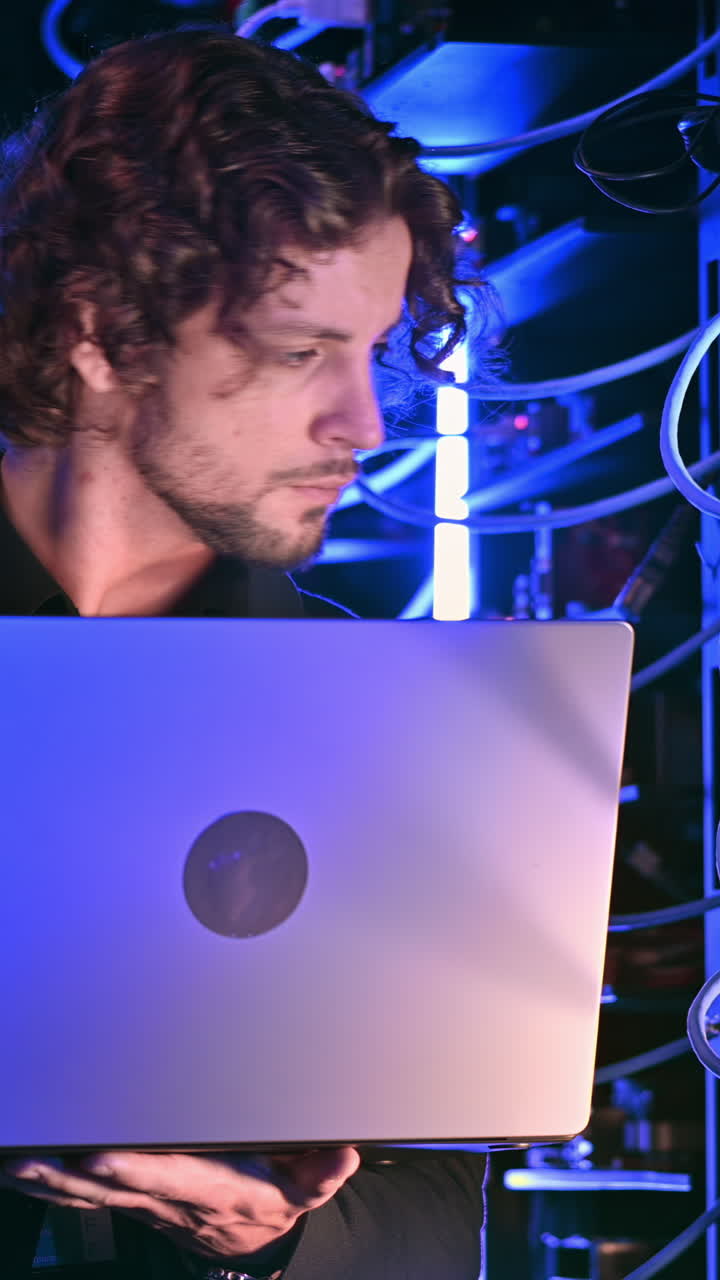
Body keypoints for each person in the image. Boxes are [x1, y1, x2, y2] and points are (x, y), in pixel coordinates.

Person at [0, 26, 491, 1279]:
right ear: (104, 331)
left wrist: (276, 1237)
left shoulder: (381, 723)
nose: (367, 423)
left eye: (373, 348)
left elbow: (436, 1216)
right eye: (299, 353)